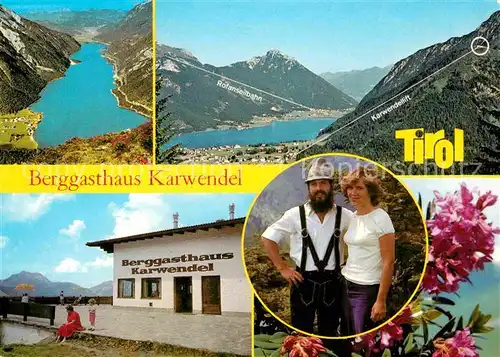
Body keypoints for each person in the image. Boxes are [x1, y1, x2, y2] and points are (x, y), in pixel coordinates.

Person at [261, 157, 353, 339]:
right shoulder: (295, 215)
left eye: (323, 183)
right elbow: (268, 238)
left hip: (334, 282)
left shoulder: (346, 216)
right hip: (302, 281)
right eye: (314, 184)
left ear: (330, 186)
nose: (319, 188)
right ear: (309, 188)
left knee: (331, 335)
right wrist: (282, 268)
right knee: (301, 337)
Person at [340, 166, 396, 336]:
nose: (353, 193)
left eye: (359, 188)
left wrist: (381, 300)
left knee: (361, 340)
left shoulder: (381, 218)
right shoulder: (354, 217)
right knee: (346, 336)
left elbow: (389, 261)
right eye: (350, 188)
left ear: (370, 191)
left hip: (367, 289)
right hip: (346, 283)